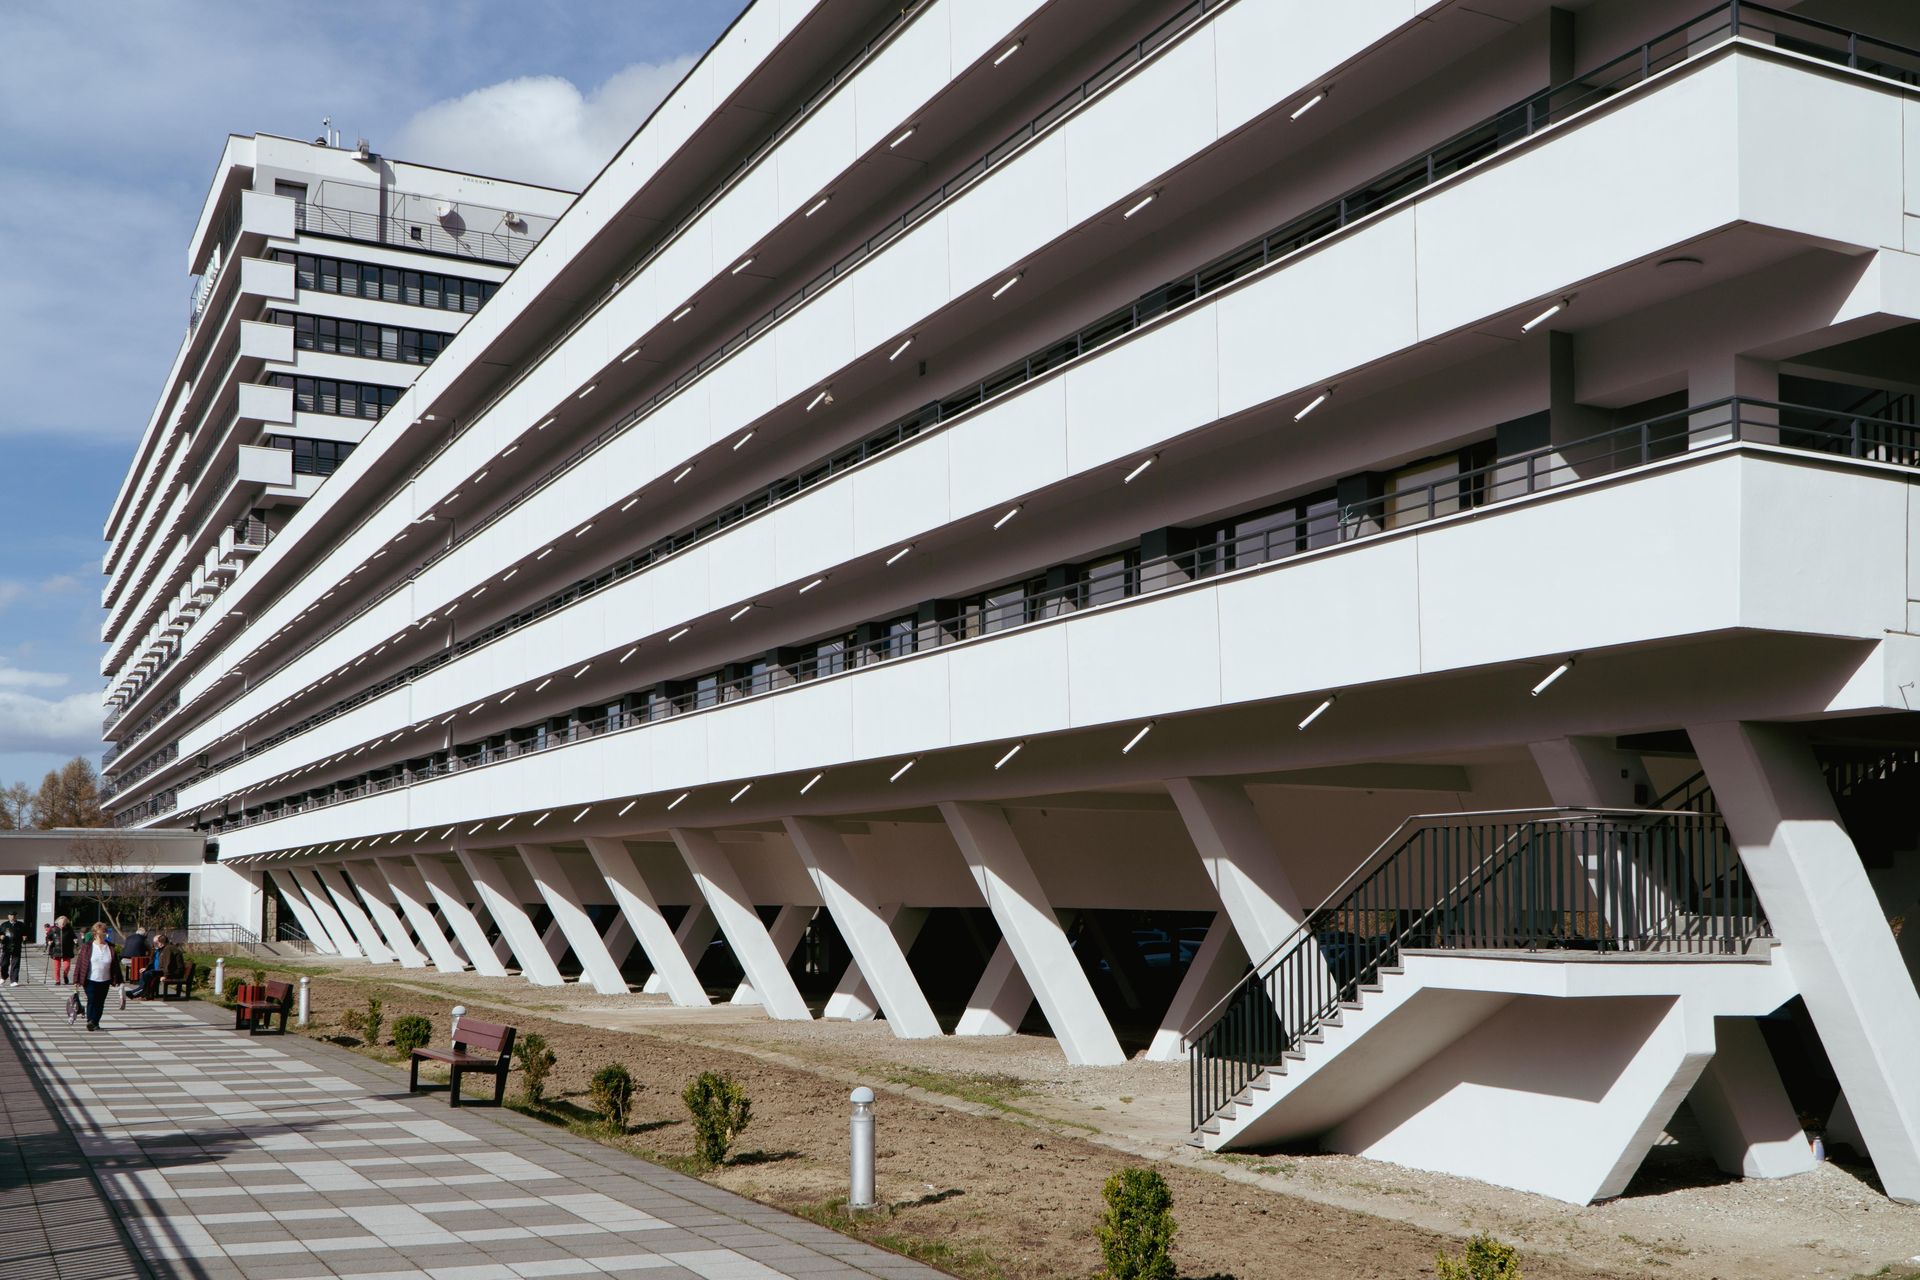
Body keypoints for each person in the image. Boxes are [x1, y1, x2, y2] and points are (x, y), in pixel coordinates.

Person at [69, 922, 122, 1032]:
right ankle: (90, 1021)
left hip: (105, 979)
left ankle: (96, 1022)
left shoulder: (110, 947)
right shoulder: (87, 947)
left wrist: (119, 980)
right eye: (101, 933)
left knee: (100, 1002)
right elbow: (80, 963)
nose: (103, 935)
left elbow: (115, 964)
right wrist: (76, 979)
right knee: (92, 999)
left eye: (104, 933)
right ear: (94, 934)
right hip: (90, 979)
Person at [52, 917, 75, 985]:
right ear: (58, 923)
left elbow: (74, 936)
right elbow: (48, 936)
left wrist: (75, 940)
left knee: (67, 966)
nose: (62, 924)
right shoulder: (54, 929)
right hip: (56, 950)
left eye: (64, 923)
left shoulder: (69, 929)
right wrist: (49, 941)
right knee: (57, 967)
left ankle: (65, 975)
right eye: (61, 923)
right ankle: (57, 980)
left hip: (67, 950)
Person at [0, 914, 22, 986]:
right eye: (10, 916)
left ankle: (14, 980)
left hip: (16, 946)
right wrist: (1, 937)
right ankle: (4, 976)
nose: (12, 917)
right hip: (6, 947)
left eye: (14, 916)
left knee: (15, 964)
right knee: (4, 963)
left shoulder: (20, 925)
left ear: (16, 917)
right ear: (8, 917)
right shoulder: (4, 925)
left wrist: (25, 938)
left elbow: (25, 933)